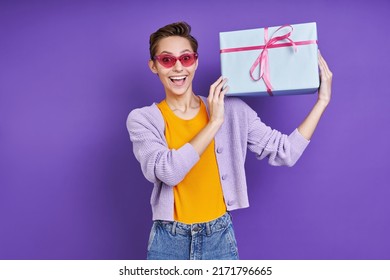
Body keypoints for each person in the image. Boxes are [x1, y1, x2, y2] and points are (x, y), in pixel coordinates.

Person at [126, 22, 332, 260]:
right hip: (168, 241)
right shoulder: (142, 119)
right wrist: (214, 123)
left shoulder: (231, 110)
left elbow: (286, 152)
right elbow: (168, 172)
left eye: (186, 58)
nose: (178, 68)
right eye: (167, 60)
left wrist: (322, 101)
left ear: (196, 62)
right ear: (154, 66)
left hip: (219, 238)